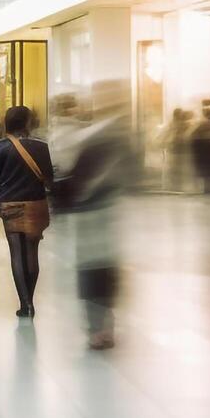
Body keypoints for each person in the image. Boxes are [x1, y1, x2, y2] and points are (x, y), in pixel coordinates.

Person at [56, 88, 134, 349]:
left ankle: (99, 328)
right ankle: (101, 327)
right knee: (98, 274)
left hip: (97, 222)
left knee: (97, 274)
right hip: (96, 222)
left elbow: (69, 176)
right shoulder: (101, 137)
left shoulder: (93, 137)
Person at [0, 106, 55, 318]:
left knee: (17, 252)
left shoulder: (0, 148)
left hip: (11, 206)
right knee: (32, 251)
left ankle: (26, 303)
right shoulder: (42, 147)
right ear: (28, 123)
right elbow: (49, 177)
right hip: (37, 205)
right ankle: (29, 299)